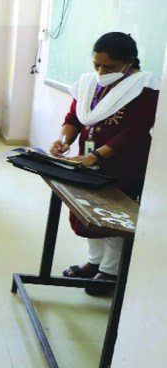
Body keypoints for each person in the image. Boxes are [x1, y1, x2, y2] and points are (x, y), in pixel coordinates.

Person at [49, 32, 159, 296]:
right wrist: (63, 141)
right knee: (89, 211)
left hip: (123, 162)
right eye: (96, 65)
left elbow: (135, 130)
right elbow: (73, 117)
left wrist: (98, 155)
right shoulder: (89, 83)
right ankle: (94, 262)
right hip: (86, 160)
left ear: (129, 61)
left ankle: (110, 271)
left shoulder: (145, 85)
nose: (101, 72)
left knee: (113, 216)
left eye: (109, 67)